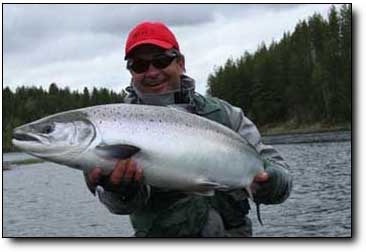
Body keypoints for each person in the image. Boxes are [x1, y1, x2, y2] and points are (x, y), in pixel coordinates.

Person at [84, 21, 292, 237]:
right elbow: (118, 207)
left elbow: (283, 179)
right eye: (140, 66)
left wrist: (271, 182)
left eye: (162, 61)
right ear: (131, 72)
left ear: (180, 63)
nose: (152, 72)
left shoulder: (226, 115)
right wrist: (120, 191)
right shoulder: (109, 130)